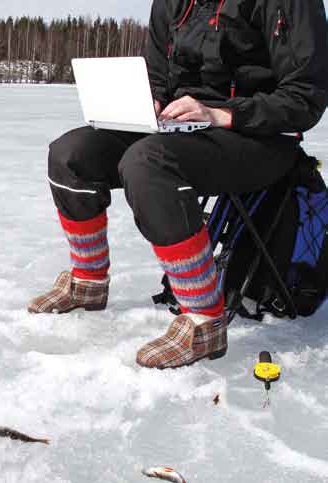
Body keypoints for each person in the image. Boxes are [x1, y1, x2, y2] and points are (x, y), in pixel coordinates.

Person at [28, 0, 327, 369]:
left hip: (259, 136)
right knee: (70, 154)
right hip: (182, 127)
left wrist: (222, 114)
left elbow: (305, 96)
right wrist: (149, 102)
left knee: (147, 165)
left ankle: (204, 319)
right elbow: (156, 73)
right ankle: (88, 282)